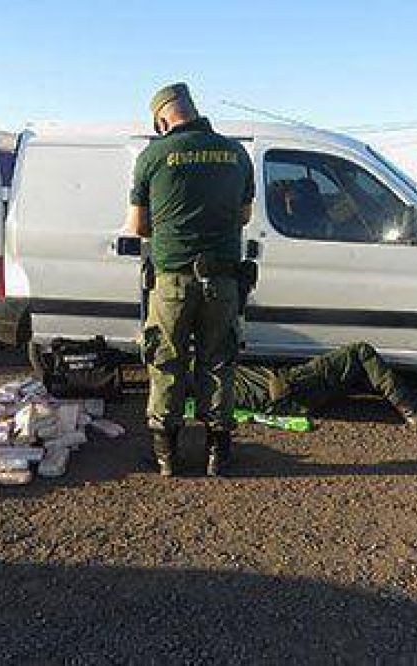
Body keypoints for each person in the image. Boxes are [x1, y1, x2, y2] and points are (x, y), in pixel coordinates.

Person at [125, 82, 255, 477]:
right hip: (223, 282)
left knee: (166, 362)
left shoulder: (153, 156)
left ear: (163, 118)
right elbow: (245, 215)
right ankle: (219, 454)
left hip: (173, 282)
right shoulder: (236, 154)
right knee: (218, 362)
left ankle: (167, 456)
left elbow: (138, 227)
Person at [235, 341, 417, 431]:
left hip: (278, 388)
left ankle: (405, 394)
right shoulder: (204, 368)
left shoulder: (204, 372)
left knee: (349, 369)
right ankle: (413, 410)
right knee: (360, 353)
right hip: (285, 387)